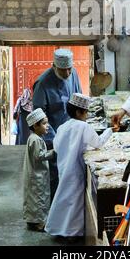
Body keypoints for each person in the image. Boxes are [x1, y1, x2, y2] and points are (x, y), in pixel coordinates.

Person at [45, 93, 116, 244]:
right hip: (76, 170)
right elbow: (98, 143)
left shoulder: (63, 126)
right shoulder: (84, 127)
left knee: (63, 197)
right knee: (74, 201)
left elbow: (56, 146)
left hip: (64, 167)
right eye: (86, 112)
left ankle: (58, 228)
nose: (88, 115)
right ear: (79, 112)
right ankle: (71, 232)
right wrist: (110, 130)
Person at [32, 49, 82, 199]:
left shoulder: (73, 74)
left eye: (69, 69)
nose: (67, 73)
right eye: (63, 70)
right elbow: (39, 118)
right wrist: (56, 141)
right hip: (52, 138)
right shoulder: (43, 83)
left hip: (72, 133)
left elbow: (79, 100)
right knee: (56, 176)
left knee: (73, 173)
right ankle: (54, 210)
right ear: (54, 66)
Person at [23, 108, 55, 232]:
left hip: (36, 174)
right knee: (39, 199)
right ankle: (39, 223)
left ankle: (33, 220)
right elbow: (40, 156)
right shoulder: (36, 139)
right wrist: (54, 152)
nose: (47, 126)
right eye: (44, 123)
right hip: (37, 176)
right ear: (35, 126)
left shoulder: (34, 137)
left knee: (34, 199)